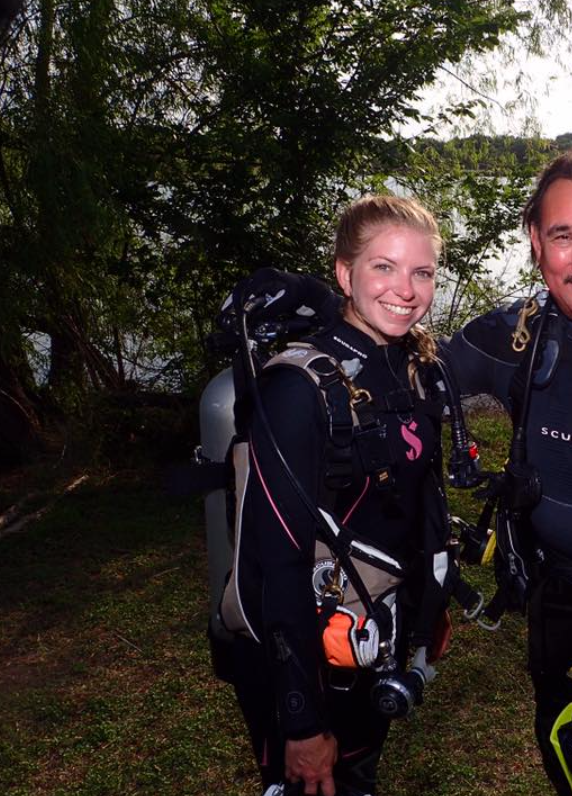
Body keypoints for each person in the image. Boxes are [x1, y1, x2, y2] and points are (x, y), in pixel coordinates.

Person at [222, 147, 572, 796]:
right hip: (562, 626)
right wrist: (325, 302)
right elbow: (402, 362)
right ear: (534, 242)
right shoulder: (518, 336)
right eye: (563, 236)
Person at [224, 195, 453, 796]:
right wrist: (301, 721)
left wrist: (429, 610)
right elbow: (277, 563)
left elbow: (411, 503)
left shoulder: (411, 365)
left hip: (372, 634)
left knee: (359, 772)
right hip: (304, 659)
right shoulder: (298, 390)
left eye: (422, 271)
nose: (405, 289)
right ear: (345, 274)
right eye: (384, 267)